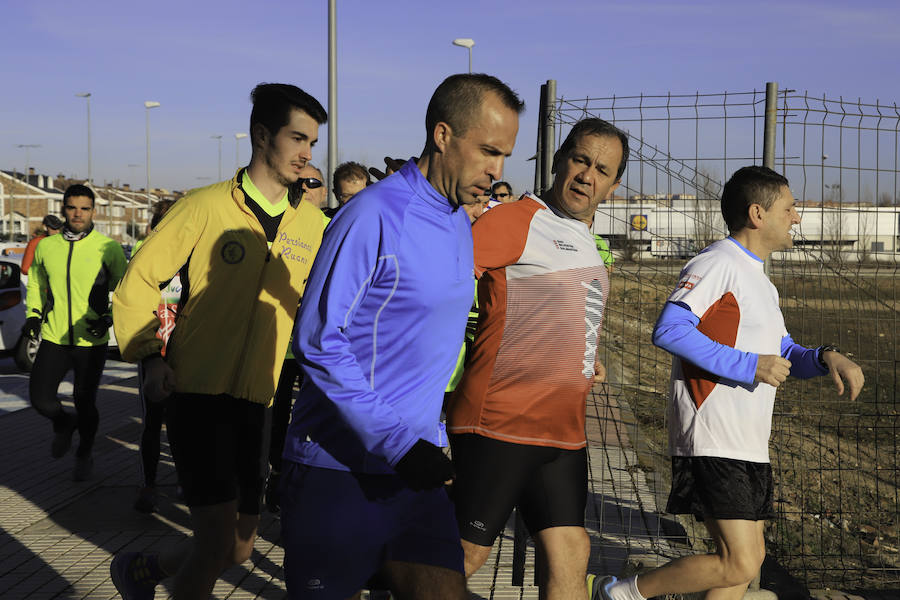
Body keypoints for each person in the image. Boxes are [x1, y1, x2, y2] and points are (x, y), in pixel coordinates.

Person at [279, 73, 523, 600]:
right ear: (442, 135)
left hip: (414, 476)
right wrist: (396, 442)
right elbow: (317, 340)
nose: (496, 171)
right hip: (336, 473)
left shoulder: (459, 222)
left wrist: (431, 440)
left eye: (504, 156)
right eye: (487, 151)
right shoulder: (372, 215)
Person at [594, 166, 865, 600]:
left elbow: (783, 352)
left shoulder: (760, 281)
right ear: (758, 213)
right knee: (738, 560)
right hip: (712, 435)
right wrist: (749, 366)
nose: (797, 217)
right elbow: (670, 330)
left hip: (748, 442)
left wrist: (824, 356)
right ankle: (620, 594)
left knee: (743, 565)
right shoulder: (717, 262)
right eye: (790, 207)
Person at [109, 82, 327, 600]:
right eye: (297, 139)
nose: (306, 154)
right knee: (212, 543)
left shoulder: (314, 224)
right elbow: (138, 281)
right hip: (197, 392)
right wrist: (148, 359)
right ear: (260, 135)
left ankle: (143, 570)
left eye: (312, 143)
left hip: (259, 399)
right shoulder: (204, 206)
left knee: (238, 548)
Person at [445, 117, 628, 599]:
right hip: (501, 419)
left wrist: (584, 357)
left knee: (571, 551)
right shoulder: (515, 218)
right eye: (581, 160)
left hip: (563, 430)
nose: (588, 175)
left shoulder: (587, 238)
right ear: (558, 160)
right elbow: (444, 282)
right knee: (467, 554)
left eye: (602, 170)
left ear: (612, 185)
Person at [23, 184, 127, 481]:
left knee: (85, 400)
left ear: (94, 211)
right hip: (55, 336)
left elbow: (123, 289)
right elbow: (35, 284)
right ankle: (64, 423)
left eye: (84, 208)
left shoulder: (108, 248)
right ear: (63, 209)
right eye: (72, 207)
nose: (77, 213)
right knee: (41, 400)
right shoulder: (46, 246)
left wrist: (108, 318)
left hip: (90, 340)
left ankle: (84, 452)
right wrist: (32, 314)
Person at [131, 199, 178, 514]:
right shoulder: (142, 253)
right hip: (153, 349)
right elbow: (133, 298)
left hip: (187, 349)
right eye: (160, 223)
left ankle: (185, 479)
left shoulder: (191, 256)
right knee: (153, 420)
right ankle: (148, 484)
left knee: (181, 422)